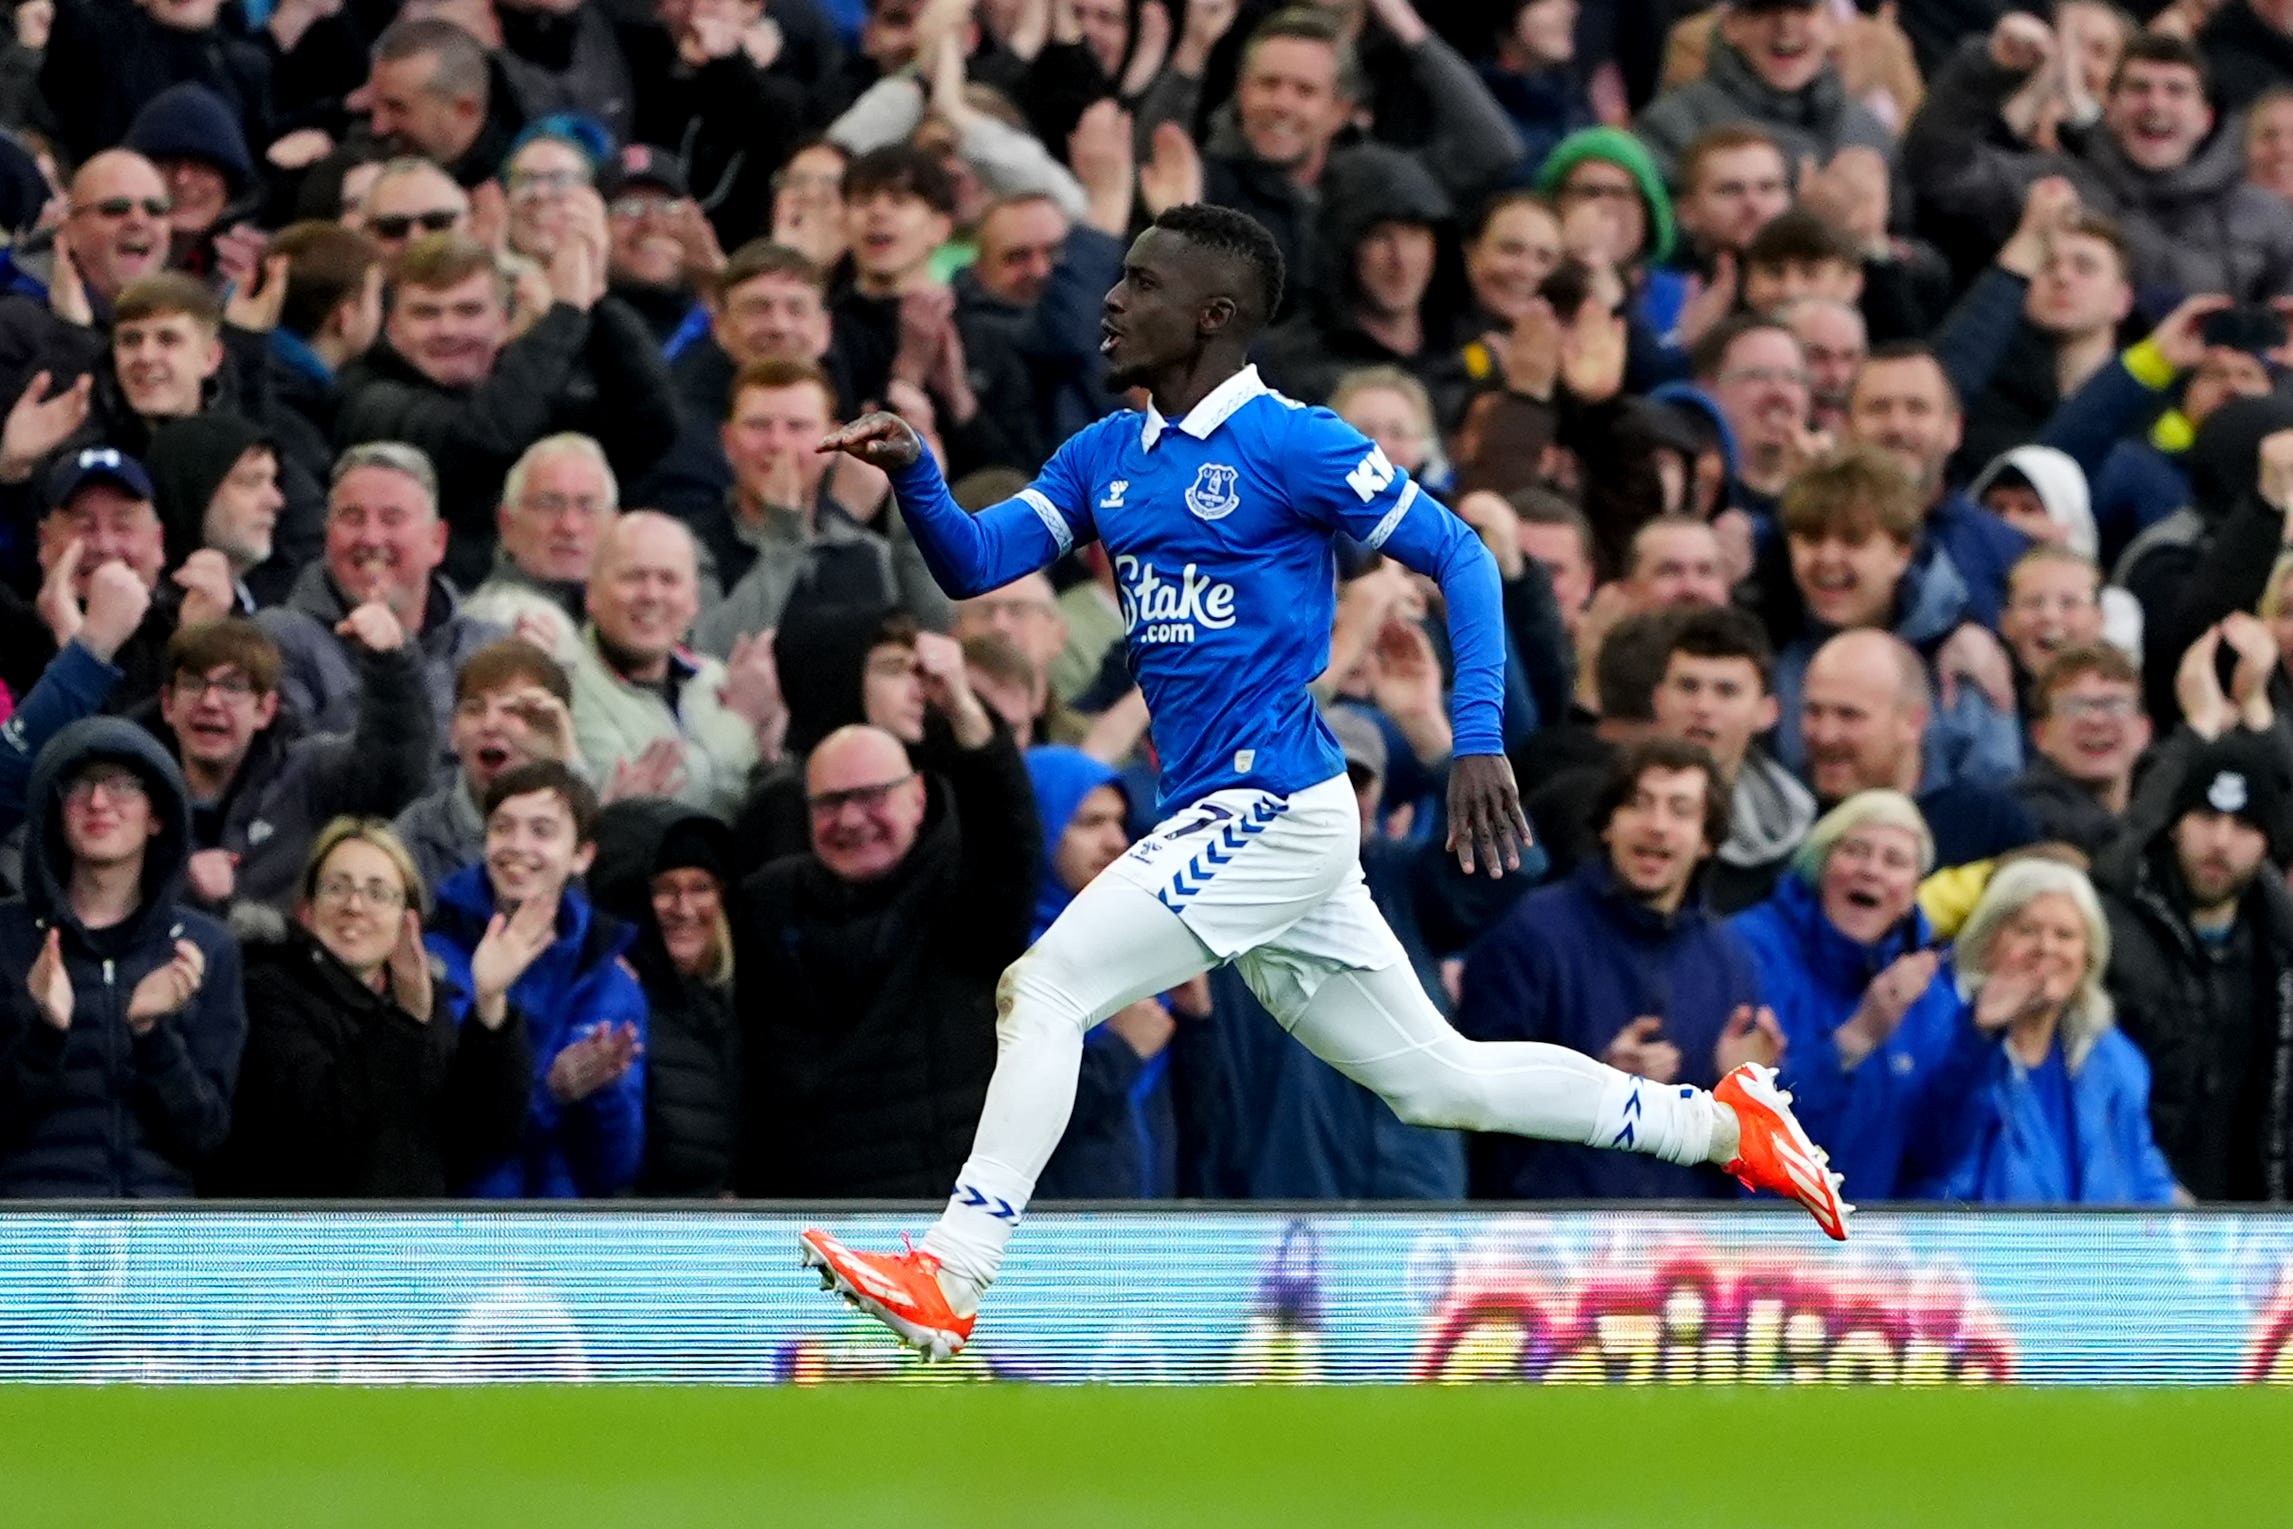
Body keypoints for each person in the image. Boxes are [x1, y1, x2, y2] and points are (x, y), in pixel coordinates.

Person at [797, 203, 1849, 1363]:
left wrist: (1479, 732)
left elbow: (1459, 553)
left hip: (1274, 803)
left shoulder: (1294, 444)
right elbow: (975, 562)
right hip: (1226, 816)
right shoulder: (1104, 454)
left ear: (1214, 314)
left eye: (1139, 283)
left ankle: (951, 1270)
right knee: (1436, 1079)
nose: (1109, 300)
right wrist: (919, 477)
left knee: (1043, 989)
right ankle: (1724, 1126)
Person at [735, 670, 1039, 1201]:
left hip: (944, 1221)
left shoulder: (965, 898)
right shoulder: (765, 907)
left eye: (872, 796)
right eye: (829, 802)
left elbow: (1008, 836)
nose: (850, 819)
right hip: (810, 1231)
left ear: (918, 798)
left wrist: (967, 713)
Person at [1458, 738, 1786, 1199]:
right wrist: (1600, 1091)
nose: (1657, 826)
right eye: (1638, 804)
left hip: (1678, 1256)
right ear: (1608, 825)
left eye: (1680, 810)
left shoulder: (1730, 962)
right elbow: (1474, 1099)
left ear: (1708, 841)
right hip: (1547, 1245)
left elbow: (1743, 1158)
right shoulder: (1531, 934)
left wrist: (1737, 1098)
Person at [204, 818, 532, 1197]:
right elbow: (320, 1134)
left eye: (377, 894)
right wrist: (404, 1023)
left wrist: (491, 1004)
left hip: (412, 1244)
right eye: (336, 888)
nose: (354, 906)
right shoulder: (265, 992)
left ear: (408, 917)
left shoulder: (425, 1003)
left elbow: (484, 1139)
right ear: (307, 910)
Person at [336, 231, 678, 588]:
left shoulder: (525, 384)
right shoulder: (368, 397)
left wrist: (596, 302)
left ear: (502, 319)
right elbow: (482, 438)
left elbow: (651, 429)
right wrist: (565, 316)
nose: (448, 329)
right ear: (393, 329)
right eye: (426, 313)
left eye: (469, 311)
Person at [0, 717, 244, 1196]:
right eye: (80, 785)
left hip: (157, 1240)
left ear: (157, 815)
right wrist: (45, 1034)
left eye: (122, 786)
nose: (97, 802)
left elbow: (206, 1136)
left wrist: (152, 1036)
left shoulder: (205, 948)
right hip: (28, 1240)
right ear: (55, 809)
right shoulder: (6, 937)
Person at [1731, 790, 1991, 1200]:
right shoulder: (1751, 951)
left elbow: (1938, 1156)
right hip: (1758, 1236)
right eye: (1856, 851)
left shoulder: (1930, 993)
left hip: (1870, 1247)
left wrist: (1978, 1042)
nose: (1871, 871)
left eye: (1894, 861)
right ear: (1821, 864)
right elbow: (1754, 1133)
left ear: (1911, 894)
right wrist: (1856, 1039)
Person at [425, 759, 648, 1198]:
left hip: (568, 1243)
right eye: (502, 828)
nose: (516, 846)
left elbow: (615, 1169)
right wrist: (550, 1092)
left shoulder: (612, 982)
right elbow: (449, 1134)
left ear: (581, 856)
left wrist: (599, 1091)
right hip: (461, 1231)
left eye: (541, 831)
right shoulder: (436, 958)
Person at [2097, 728, 2293, 1201]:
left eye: (2244, 825)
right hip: (2128, 1223)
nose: (2221, 842)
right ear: (2175, 823)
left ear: (2268, 844)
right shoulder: (2106, 927)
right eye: (2207, 817)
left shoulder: (2278, 948)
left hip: (2246, 1230)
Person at [1920, 858, 2180, 1204]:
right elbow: (1935, 1144)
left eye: (2065, 935)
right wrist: (1978, 1038)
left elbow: (2146, 1178)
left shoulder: (2113, 1057)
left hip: (2092, 1257)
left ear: (2088, 956)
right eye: (2027, 930)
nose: (2047, 947)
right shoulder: (1941, 1032)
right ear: (1987, 942)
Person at [156, 613, 434, 912]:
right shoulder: (132, 791)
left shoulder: (309, 776)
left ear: (265, 708)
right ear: (168, 704)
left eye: (232, 687)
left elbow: (393, 769)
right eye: (194, 684)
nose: (210, 702)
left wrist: (391, 666)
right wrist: (183, 886)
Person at [258, 442, 505, 747]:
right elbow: (298, 777)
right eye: (352, 517)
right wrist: (389, 668)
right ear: (326, 534)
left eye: (391, 519)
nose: (371, 538)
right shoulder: (277, 642)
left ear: (437, 541)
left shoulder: (489, 649)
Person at [569, 511, 788, 822]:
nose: (651, 595)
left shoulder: (715, 678)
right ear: (591, 593)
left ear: (693, 601)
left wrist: (768, 758)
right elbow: (647, 814)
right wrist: (740, 723)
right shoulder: (564, 684)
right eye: (633, 577)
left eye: (668, 579)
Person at [589, 800, 742, 1198]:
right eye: (663, 890)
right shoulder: (609, 1003)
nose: (684, 909)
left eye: (701, 888)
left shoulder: (730, 1007)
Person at [1799, 628, 2043, 868]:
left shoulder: (1990, 824)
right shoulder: (1790, 819)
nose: (1825, 735)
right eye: (1813, 711)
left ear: (1913, 722)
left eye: (1849, 715)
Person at [394, 639, 579, 893]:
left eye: (512, 710)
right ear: (453, 733)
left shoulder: (588, 833)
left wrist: (566, 762)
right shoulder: (415, 836)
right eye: (474, 709)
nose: (490, 724)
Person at [460, 433, 620, 665]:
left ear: (613, 525)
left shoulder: (626, 622)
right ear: (507, 524)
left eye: (587, 506)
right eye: (548, 505)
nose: (569, 526)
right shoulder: (493, 626)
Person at [2015, 644, 2153, 858]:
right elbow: (2113, 853)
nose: (2096, 720)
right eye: (2075, 707)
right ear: (2040, 735)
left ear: (2144, 730)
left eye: (2114, 705)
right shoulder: (2026, 812)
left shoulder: (2150, 804)